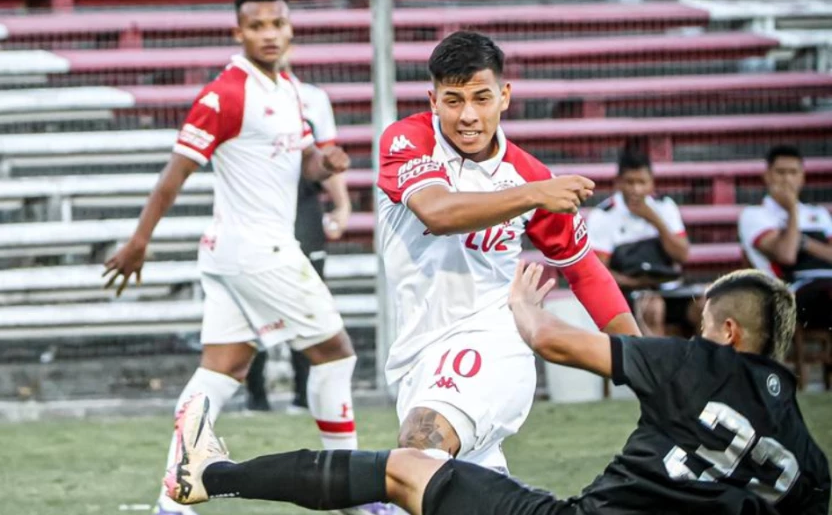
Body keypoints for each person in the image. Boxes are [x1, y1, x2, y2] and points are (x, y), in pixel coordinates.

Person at [166, 263, 831, 515]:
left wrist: (519, 306)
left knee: (406, 469)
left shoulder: (696, 366)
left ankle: (213, 476)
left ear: (732, 333)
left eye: (705, 323)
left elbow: (553, 342)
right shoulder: (808, 460)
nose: (697, 330)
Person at [103, 0, 385, 515]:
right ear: (239, 33)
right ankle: (355, 497)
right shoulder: (226, 93)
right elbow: (176, 173)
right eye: (257, 26)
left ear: (291, 27)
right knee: (336, 353)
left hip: (235, 251)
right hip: (259, 249)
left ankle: (171, 501)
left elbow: (304, 163)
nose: (270, 33)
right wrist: (139, 241)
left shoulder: (289, 89)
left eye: (277, 23)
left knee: (221, 369)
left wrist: (326, 165)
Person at [368, 30, 638, 472]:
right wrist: (533, 194)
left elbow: (585, 271)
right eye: (453, 100)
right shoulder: (407, 141)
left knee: (421, 444)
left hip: (491, 340)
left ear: (505, 96)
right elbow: (438, 212)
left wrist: (642, 359)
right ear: (432, 100)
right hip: (417, 352)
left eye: (482, 97)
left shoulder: (528, 175)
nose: (468, 115)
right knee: (458, 492)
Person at [244, 54, 352, 413]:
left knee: (309, 302)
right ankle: (255, 398)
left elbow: (326, 157)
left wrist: (342, 205)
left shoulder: (312, 99)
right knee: (253, 304)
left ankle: (302, 398)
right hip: (256, 214)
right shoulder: (239, 96)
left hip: (304, 209)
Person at [588, 149, 693, 337]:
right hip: (629, 293)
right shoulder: (603, 215)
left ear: (652, 183)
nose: (636, 189)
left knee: (705, 306)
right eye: (630, 182)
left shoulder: (665, 207)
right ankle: (657, 365)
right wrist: (634, 282)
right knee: (652, 307)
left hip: (670, 288)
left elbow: (682, 255)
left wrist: (654, 220)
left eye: (642, 182)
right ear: (618, 183)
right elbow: (599, 270)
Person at [739, 145, 832, 331]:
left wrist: (803, 242)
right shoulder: (754, 214)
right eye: (780, 172)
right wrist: (792, 211)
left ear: (802, 177)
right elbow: (786, 256)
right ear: (767, 176)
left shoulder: (818, 214)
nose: (787, 179)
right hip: (793, 290)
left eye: (793, 172)